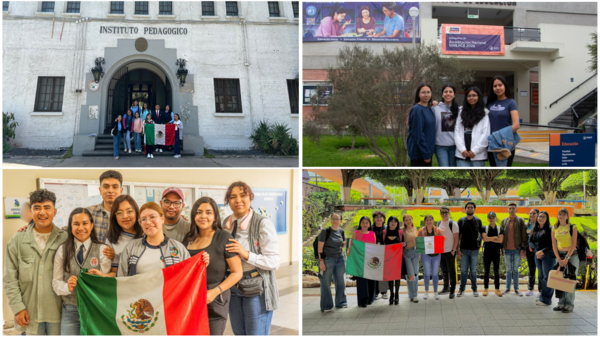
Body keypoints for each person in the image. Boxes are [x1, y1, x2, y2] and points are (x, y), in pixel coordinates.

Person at [3, 189, 68, 335]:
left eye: (47, 208)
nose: (42, 212)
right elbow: (9, 279)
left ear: (55, 211)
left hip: (58, 315)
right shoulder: (17, 241)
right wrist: (18, 308)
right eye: (37, 208)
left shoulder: (65, 239)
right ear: (31, 211)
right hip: (29, 314)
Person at [222, 181, 280, 335]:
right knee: (239, 333)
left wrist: (246, 254)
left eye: (243, 195)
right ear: (228, 201)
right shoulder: (225, 224)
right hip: (233, 287)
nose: (238, 200)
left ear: (251, 198)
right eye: (232, 197)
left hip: (256, 287)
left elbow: (274, 262)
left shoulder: (262, 224)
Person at [183, 197, 243, 335]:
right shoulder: (188, 239)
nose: (203, 216)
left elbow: (237, 272)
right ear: (194, 216)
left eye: (208, 212)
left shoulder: (224, 238)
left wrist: (214, 292)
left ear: (215, 216)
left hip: (214, 299)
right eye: (199, 212)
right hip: (190, 298)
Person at [51, 208, 112, 335]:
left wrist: (99, 278)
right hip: (70, 309)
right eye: (76, 224)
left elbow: (107, 283)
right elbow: (56, 282)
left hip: (95, 308)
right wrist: (67, 287)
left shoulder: (103, 250)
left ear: (91, 225)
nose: (80, 228)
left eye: (85, 223)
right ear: (70, 226)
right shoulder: (62, 250)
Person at [117, 202, 201, 277]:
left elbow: (190, 277)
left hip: (168, 295)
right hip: (137, 294)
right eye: (143, 219)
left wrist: (201, 263)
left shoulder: (178, 248)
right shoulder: (131, 248)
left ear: (162, 218)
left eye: (152, 217)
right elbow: (121, 279)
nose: (148, 222)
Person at [100, 195, 144, 275]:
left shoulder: (146, 234)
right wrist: (101, 276)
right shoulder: (111, 240)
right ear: (114, 217)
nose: (125, 216)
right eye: (119, 213)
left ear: (136, 212)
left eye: (129, 211)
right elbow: (114, 272)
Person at [317, 213, 347, 312]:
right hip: (327, 260)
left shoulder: (341, 231)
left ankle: (341, 302)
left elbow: (341, 245)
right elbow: (320, 248)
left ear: (340, 221)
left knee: (341, 281)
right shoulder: (325, 231)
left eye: (337, 219)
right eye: (333, 218)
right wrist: (321, 262)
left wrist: (346, 243)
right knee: (325, 282)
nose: (335, 220)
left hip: (340, 259)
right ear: (331, 220)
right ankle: (326, 305)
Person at [487, 75, 520, 166]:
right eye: (495, 86)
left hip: (505, 143)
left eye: (500, 85)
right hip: (492, 143)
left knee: (504, 170)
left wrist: (500, 136)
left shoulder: (511, 103)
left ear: (505, 86)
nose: (497, 88)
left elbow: (516, 125)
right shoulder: (490, 103)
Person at [551, 208, 578, 313]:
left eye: (564, 214)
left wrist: (567, 258)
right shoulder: (555, 228)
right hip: (559, 256)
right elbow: (554, 245)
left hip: (572, 255)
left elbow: (574, 244)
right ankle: (561, 303)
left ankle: (569, 305)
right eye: (560, 214)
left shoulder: (572, 227)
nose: (561, 216)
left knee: (570, 280)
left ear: (567, 216)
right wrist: (559, 258)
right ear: (557, 216)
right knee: (560, 280)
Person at [454, 87, 490, 167]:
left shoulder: (484, 113)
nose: (471, 98)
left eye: (474, 95)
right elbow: (456, 132)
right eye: (469, 96)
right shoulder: (461, 111)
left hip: (477, 155)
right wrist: (462, 149)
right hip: (462, 154)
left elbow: (485, 134)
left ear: (479, 97)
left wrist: (474, 151)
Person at [87, 170, 123, 243]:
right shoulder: (88, 213)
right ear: (100, 190)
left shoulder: (127, 216)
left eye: (115, 187)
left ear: (121, 191)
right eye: (106, 187)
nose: (110, 190)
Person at [457, 202, 483, 297]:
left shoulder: (478, 221)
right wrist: (457, 249)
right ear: (465, 209)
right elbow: (457, 236)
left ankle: (474, 289)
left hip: (474, 250)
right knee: (464, 271)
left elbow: (482, 234)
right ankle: (461, 289)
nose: (470, 209)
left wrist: (480, 245)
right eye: (468, 207)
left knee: (473, 271)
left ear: (474, 209)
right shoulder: (460, 221)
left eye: (472, 207)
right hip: (463, 250)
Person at [501, 203, 527, 296]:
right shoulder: (504, 221)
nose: (511, 210)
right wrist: (502, 248)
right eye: (510, 208)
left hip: (517, 249)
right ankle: (507, 288)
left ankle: (516, 288)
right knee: (508, 270)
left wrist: (523, 248)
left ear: (516, 209)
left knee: (515, 270)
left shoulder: (520, 221)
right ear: (508, 210)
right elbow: (501, 236)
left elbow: (524, 235)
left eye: (513, 208)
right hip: (507, 249)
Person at [531, 211, 556, 307]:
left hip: (548, 256)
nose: (540, 218)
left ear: (547, 218)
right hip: (537, 255)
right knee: (541, 277)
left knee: (547, 277)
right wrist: (536, 251)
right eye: (539, 216)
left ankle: (546, 300)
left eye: (543, 217)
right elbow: (530, 241)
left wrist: (543, 251)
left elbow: (552, 244)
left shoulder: (550, 229)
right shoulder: (535, 229)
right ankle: (542, 295)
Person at [407, 84, 436, 166]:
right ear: (418, 94)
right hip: (419, 153)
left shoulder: (429, 108)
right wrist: (425, 153)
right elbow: (418, 134)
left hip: (427, 152)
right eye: (423, 92)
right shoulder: (417, 109)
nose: (426, 95)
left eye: (428, 92)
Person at [417, 215, 443, 300]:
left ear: (433, 221)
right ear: (425, 221)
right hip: (425, 255)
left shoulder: (438, 230)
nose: (429, 222)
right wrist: (420, 253)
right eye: (427, 220)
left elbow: (440, 242)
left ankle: (435, 292)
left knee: (435, 274)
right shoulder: (421, 231)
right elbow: (419, 243)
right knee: (427, 273)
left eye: (430, 220)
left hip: (436, 255)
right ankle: (426, 292)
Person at [434, 84, 460, 167]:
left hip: (455, 146)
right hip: (440, 146)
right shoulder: (435, 108)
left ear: (454, 94)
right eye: (445, 92)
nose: (448, 94)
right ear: (442, 94)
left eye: (450, 92)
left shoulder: (459, 110)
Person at [352, 216, 375, 308]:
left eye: (367, 222)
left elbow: (374, 247)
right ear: (360, 224)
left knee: (370, 279)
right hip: (360, 260)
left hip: (370, 260)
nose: (365, 224)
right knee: (361, 281)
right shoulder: (356, 233)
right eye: (363, 222)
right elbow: (352, 247)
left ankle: (370, 299)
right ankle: (362, 301)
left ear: (369, 224)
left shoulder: (372, 233)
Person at [437, 206, 459, 299]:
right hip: (440, 251)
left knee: (452, 271)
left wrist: (454, 250)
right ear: (440, 214)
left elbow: (456, 238)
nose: (444, 214)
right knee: (444, 271)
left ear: (449, 213)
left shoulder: (453, 223)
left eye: (446, 212)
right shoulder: (438, 223)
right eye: (442, 212)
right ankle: (446, 287)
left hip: (450, 251)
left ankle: (452, 290)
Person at [481, 212, 504, 297]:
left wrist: (489, 239)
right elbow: (485, 239)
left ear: (496, 218)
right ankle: (486, 288)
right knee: (486, 271)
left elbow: (501, 240)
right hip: (487, 252)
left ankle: (497, 289)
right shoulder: (485, 228)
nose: (491, 219)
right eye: (490, 217)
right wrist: (495, 237)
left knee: (496, 271)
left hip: (496, 252)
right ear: (488, 219)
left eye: (493, 217)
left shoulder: (500, 229)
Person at [384, 216, 402, 305]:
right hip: (388, 259)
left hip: (398, 259)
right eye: (391, 221)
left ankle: (397, 295)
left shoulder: (400, 233)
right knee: (390, 277)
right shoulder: (384, 232)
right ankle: (391, 294)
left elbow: (404, 244)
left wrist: (404, 244)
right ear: (388, 222)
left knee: (397, 277)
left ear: (397, 223)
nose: (393, 223)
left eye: (395, 221)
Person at [526, 208, 542, 297]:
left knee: (540, 271)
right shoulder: (527, 225)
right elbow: (525, 239)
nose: (532, 215)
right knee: (531, 270)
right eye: (530, 213)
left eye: (534, 213)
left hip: (539, 251)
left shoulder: (542, 225)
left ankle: (541, 290)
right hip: (530, 251)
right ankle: (530, 288)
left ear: (538, 215)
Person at [402, 214, 419, 303]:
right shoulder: (402, 230)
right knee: (410, 275)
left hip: (415, 252)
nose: (408, 221)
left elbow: (419, 241)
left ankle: (412, 293)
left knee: (415, 274)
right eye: (406, 220)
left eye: (410, 219)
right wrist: (402, 243)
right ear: (404, 222)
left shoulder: (416, 229)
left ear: (412, 220)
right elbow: (399, 240)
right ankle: (414, 295)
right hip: (407, 253)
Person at [372, 211, 388, 300]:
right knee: (374, 272)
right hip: (373, 253)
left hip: (384, 253)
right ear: (374, 219)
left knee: (383, 273)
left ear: (383, 219)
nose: (379, 218)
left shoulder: (386, 228)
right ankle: (376, 292)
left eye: (381, 217)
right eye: (377, 217)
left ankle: (384, 292)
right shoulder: (370, 228)